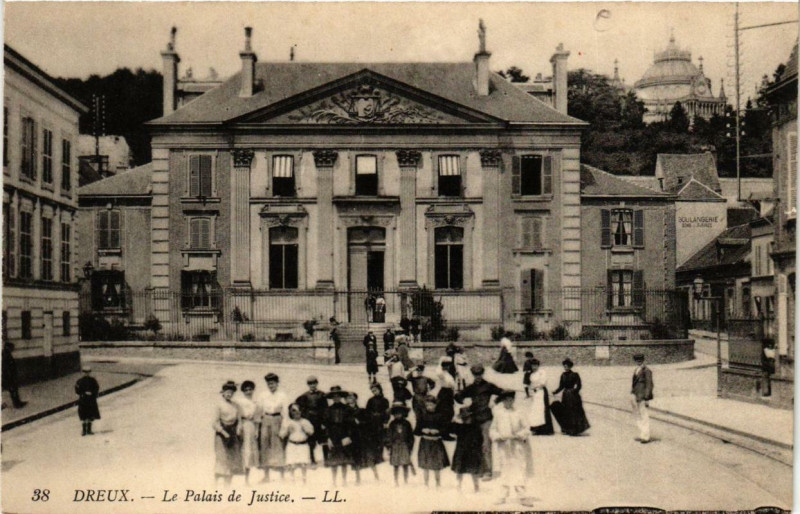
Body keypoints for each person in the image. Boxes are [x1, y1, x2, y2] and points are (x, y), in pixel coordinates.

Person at [454, 364, 503, 480]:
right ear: (473, 375)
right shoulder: (470, 388)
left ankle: (488, 471)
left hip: (486, 418)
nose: (478, 377)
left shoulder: (488, 386)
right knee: (475, 445)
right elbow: (457, 396)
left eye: (479, 374)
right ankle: (480, 469)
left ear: (482, 374)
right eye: (475, 374)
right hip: (474, 419)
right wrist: (464, 401)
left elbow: (503, 392)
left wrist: (495, 402)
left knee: (486, 445)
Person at [490, 390, 533, 506]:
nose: (508, 402)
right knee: (504, 469)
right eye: (506, 400)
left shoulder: (519, 412)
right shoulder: (498, 414)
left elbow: (526, 428)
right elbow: (493, 429)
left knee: (519, 469)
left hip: (517, 446)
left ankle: (522, 496)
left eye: (510, 400)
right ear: (503, 401)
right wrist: (498, 436)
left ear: (513, 400)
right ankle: (503, 495)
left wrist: (519, 435)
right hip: (503, 446)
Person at [257, 373, 289, 480]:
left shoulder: (283, 395)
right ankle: (266, 476)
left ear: (277, 383)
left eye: (273, 383)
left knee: (279, 445)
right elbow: (259, 411)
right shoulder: (262, 395)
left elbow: (285, 413)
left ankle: (282, 476)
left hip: (277, 419)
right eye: (269, 384)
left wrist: (284, 428)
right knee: (265, 446)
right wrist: (258, 427)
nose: (271, 386)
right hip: (266, 420)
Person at [213, 381, 243, 487]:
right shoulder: (219, 405)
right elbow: (214, 423)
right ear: (223, 393)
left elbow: (239, 420)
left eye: (231, 392)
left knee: (232, 457)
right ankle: (216, 483)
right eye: (227, 392)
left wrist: (239, 428)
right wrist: (223, 432)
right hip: (222, 433)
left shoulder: (236, 405)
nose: (229, 394)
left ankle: (228, 484)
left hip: (233, 433)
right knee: (222, 458)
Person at [415, 395, 449, 488]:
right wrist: (423, 430)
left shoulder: (440, 416)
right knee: (425, 464)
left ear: (435, 405)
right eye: (427, 405)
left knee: (436, 464)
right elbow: (417, 430)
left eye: (431, 405)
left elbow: (445, 429)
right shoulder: (422, 416)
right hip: (425, 442)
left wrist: (438, 431)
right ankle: (426, 483)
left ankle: (438, 483)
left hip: (436, 442)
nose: (429, 407)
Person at [323, 386, 355, 486]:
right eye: (334, 396)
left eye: (338, 396)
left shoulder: (347, 409)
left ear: (341, 397)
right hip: (333, 436)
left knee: (344, 460)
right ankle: (334, 481)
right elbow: (326, 425)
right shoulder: (328, 410)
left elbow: (351, 424)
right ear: (332, 398)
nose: (336, 398)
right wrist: (328, 438)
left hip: (344, 435)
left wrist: (348, 436)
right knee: (334, 461)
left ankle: (344, 481)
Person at [551, 358, 590, 436]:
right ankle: (568, 429)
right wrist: (555, 392)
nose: (566, 367)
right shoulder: (563, 375)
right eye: (564, 366)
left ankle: (575, 430)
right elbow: (561, 386)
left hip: (573, 397)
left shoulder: (575, 374)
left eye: (567, 366)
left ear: (570, 366)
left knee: (574, 412)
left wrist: (574, 391)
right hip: (565, 396)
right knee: (566, 412)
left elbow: (579, 385)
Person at [295, 376, 328, 466]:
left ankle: (326, 460)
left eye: (314, 383)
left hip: (319, 420)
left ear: (317, 384)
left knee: (323, 441)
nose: (312, 385)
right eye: (310, 384)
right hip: (310, 421)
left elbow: (325, 409)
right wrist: (304, 420)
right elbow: (300, 407)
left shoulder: (322, 394)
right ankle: (312, 459)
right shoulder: (305, 395)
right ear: (308, 385)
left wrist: (324, 422)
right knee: (311, 441)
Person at [448, 407, 483, 492]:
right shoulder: (460, 427)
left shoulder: (476, 427)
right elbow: (449, 429)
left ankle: (476, 487)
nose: (466, 419)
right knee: (459, 470)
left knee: (474, 471)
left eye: (467, 417)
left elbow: (480, 439)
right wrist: (454, 420)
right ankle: (458, 486)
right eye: (464, 418)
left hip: (472, 451)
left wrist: (477, 448)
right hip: (461, 451)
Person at [279, 403, 315, 483]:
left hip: (303, 445)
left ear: (301, 411)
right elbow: (281, 435)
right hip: (292, 445)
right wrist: (287, 430)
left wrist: (305, 429)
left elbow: (311, 432)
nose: (296, 413)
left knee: (303, 464)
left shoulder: (305, 421)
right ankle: (293, 480)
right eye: (293, 411)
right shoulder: (288, 422)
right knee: (292, 464)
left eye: (298, 410)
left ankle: (304, 480)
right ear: (290, 412)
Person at [235, 380, 262, 484]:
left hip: (251, 426)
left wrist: (257, 431)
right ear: (243, 391)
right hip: (243, 425)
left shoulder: (256, 403)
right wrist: (239, 426)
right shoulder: (240, 402)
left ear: (253, 390)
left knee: (249, 451)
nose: (248, 392)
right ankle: (238, 476)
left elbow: (257, 418)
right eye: (246, 390)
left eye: (250, 389)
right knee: (242, 449)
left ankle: (247, 479)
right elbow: (238, 416)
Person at [362, 383, 390, 480]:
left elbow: (387, 412)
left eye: (376, 390)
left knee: (381, 439)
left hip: (381, 422)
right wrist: (370, 417)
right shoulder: (370, 400)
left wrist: (385, 421)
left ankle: (380, 456)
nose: (374, 392)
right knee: (374, 439)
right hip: (372, 422)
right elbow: (367, 411)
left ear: (380, 389)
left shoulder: (385, 400)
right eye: (373, 391)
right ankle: (375, 456)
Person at [386, 402, 414, 486]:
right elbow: (389, 436)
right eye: (395, 413)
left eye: (399, 413)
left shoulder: (407, 424)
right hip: (395, 446)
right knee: (396, 464)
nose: (397, 415)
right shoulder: (392, 424)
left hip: (404, 445)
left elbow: (410, 436)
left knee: (405, 464)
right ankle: (396, 480)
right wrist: (389, 446)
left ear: (403, 413)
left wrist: (410, 447)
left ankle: (406, 480)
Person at [526, 359, 554, 435]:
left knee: (542, 409)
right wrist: (532, 390)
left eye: (535, 365)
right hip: (535, 393)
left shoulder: (542, 372)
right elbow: (531, 385)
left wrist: (536, 386)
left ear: (538, 365)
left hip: (541, 392)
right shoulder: (531, 375)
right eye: (532, 365)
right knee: (535, 410)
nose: (534, 367)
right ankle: (536, 429)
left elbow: (543, 383)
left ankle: (546, 429)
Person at [631, 353, 654, 444]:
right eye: (637, 361)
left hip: (642, 397)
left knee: (644, 416)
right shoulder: (636, 369)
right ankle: (642, 434)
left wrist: (647, 398)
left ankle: (646, 437)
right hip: (636, 395)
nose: (638, 362)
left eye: (640, 361)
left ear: (643, 360)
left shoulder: (647, 371)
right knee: (638, 416)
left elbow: (649, 385)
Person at [75, 366, 100, 436]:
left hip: (91, 400)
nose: (86, 373)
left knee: (90, 414)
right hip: (83, 400)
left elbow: (96, 388)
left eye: (88, 372)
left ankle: (89, 430)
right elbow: (77, 390)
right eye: (85, 372)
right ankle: (84, 430)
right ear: (83, 372)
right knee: (84, 415)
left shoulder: (93, 380)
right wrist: (84, 393)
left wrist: (92, 393)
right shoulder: (80, 381)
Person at [2, 343, 26, 408]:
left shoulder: (6, 354)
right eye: (12, 348)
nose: (13, 349)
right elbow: (7, 367)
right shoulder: (6, 355)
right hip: (9, 377)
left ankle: (17, 403)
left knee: (13, 390)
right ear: (8, 348)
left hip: (9, 376)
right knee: (13, 390)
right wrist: (11, 377)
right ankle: (17, 404)